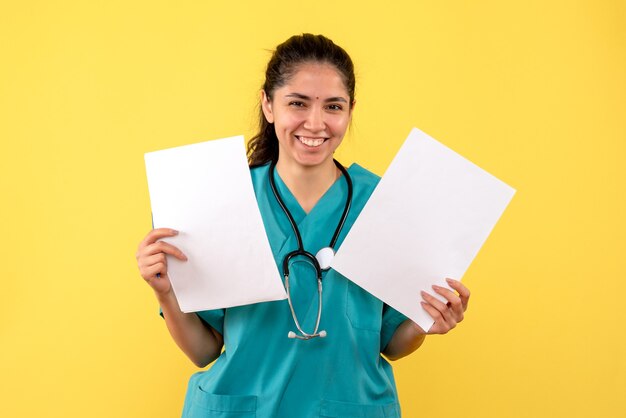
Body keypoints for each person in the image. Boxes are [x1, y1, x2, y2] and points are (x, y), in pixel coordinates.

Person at [136, 34, 470, 418]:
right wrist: (165, 292)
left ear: (350, 110)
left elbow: (390, 343)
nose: (316, 122)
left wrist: (425, 321)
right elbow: (203, 351)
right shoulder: (218, 201)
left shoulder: (386, 204)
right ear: (268, 104)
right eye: (297, 103)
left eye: (333, 106)